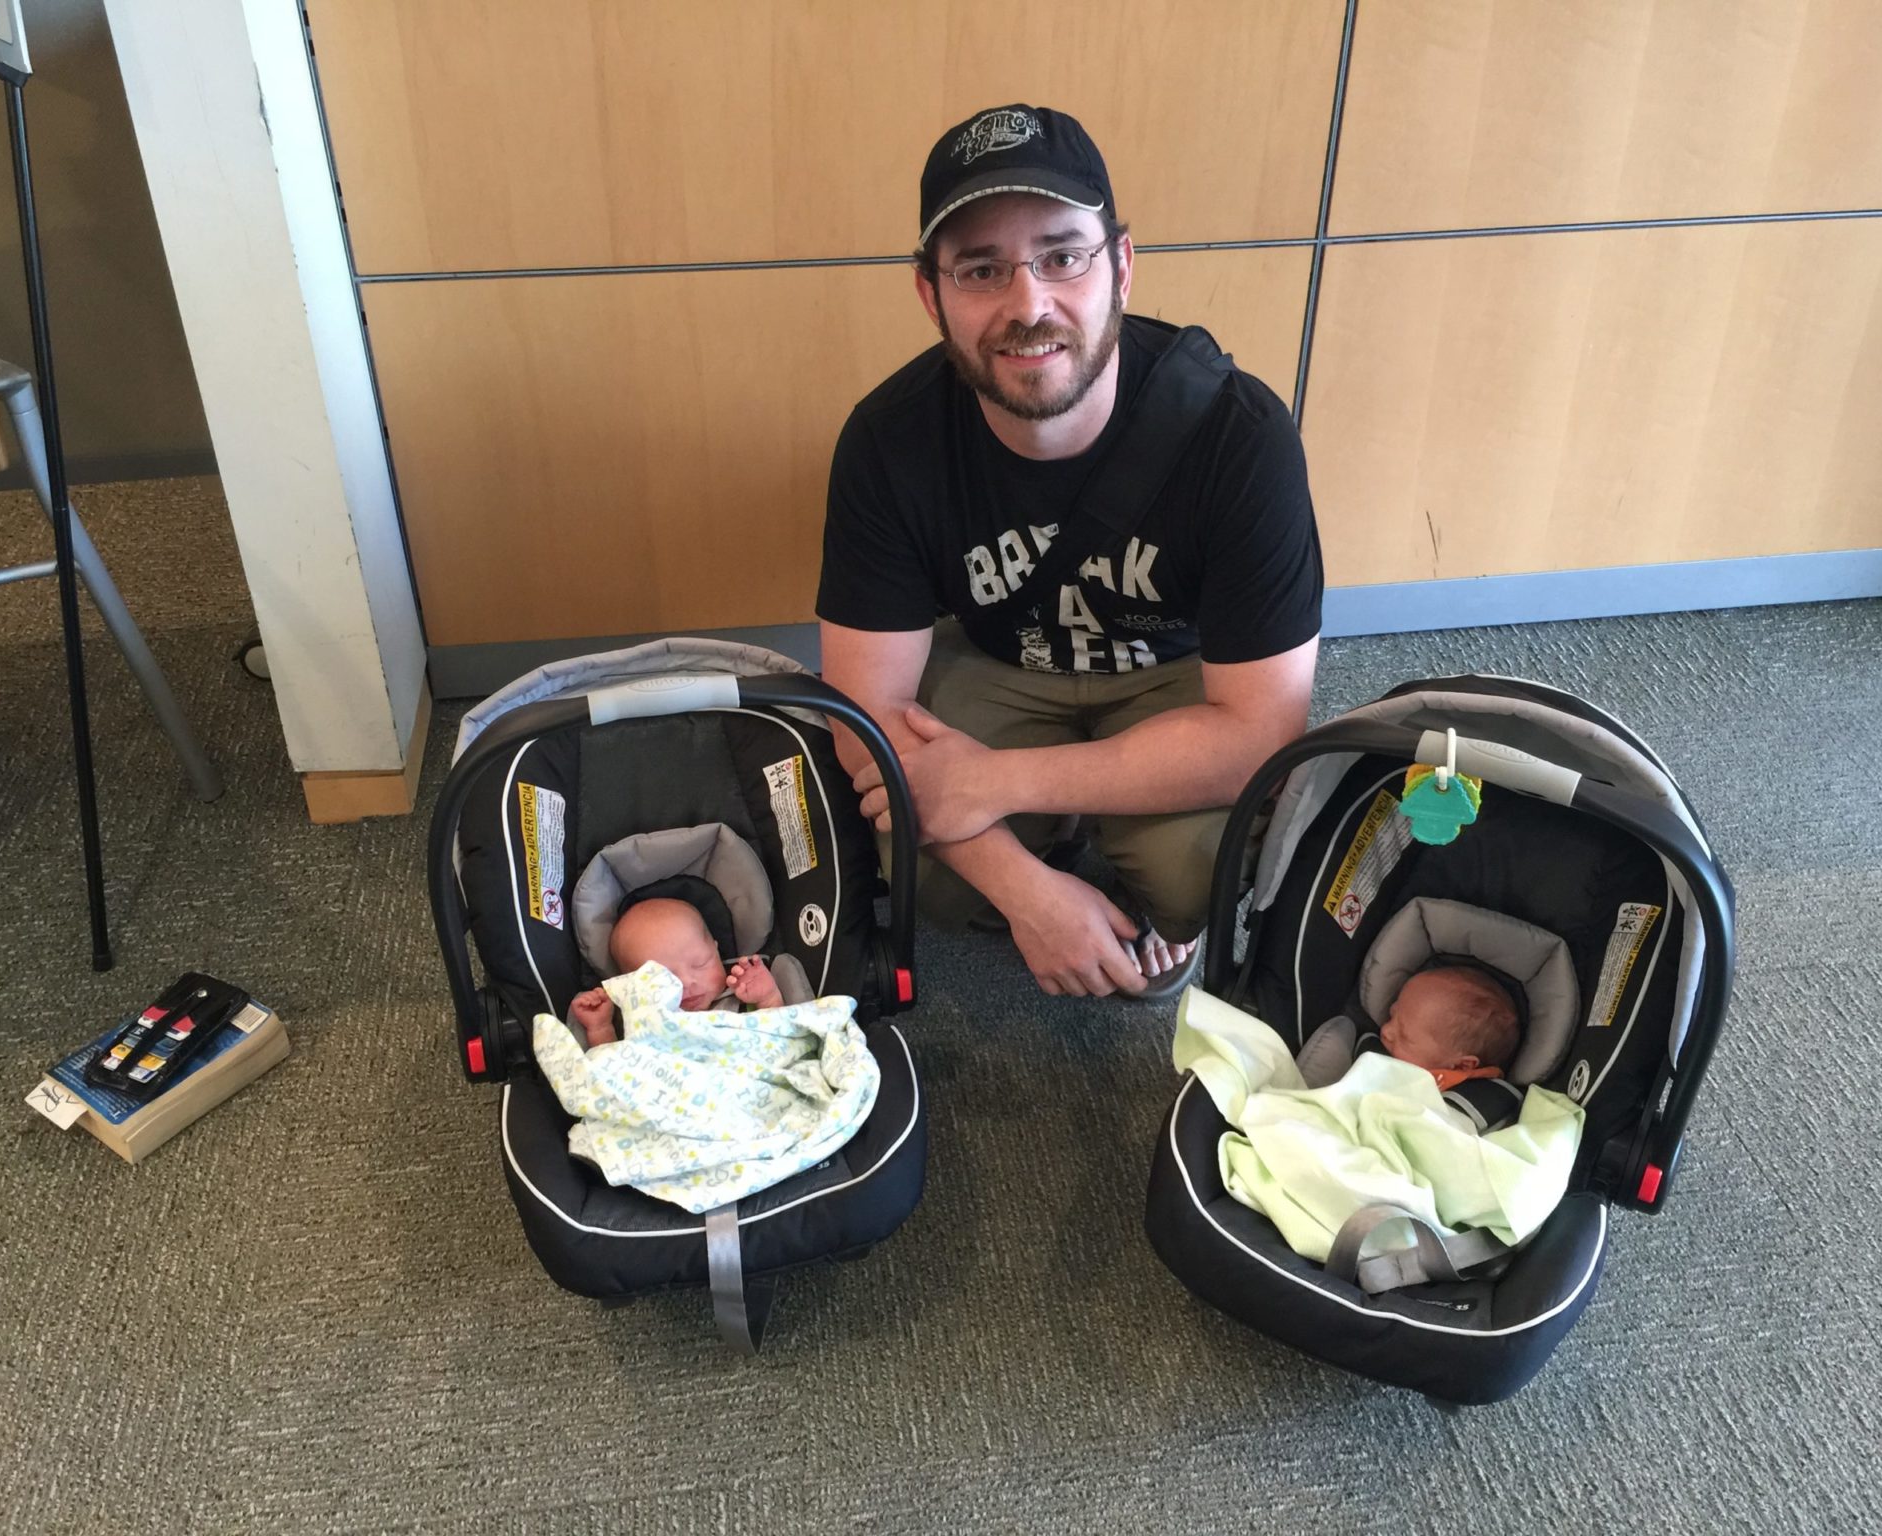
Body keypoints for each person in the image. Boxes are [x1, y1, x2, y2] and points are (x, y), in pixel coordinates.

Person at [817, 104, 1324, 1000]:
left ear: (1121, 265)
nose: (1028, 304)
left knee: (1194, 873)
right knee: (917, 867)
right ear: (930, 292)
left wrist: (993, 782)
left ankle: (1125, 873)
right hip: (998, 660)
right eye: (982, 269)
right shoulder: (885, 441)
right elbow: (864, 716)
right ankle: (1060, 855)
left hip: (1176, 677)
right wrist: (1028, 894)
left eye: (1062, 255)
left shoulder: (1240, 435)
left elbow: (1259, 731)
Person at [567, 897, 783, 1046]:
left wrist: (768, 998)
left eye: (700, 963)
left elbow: (779, 1039)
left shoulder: (743, 998)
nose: (687, 982)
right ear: (631, 987)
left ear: (716, 950)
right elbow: (614, 1070)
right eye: (664, 978)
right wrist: (601, 1029)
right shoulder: (638, 1020)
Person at [1374, 965, 1520, 1093]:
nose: (1386, 1031)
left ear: (1461, 1066)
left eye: (1404, 1037)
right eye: (1392, 1015)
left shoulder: (1474, 1098)